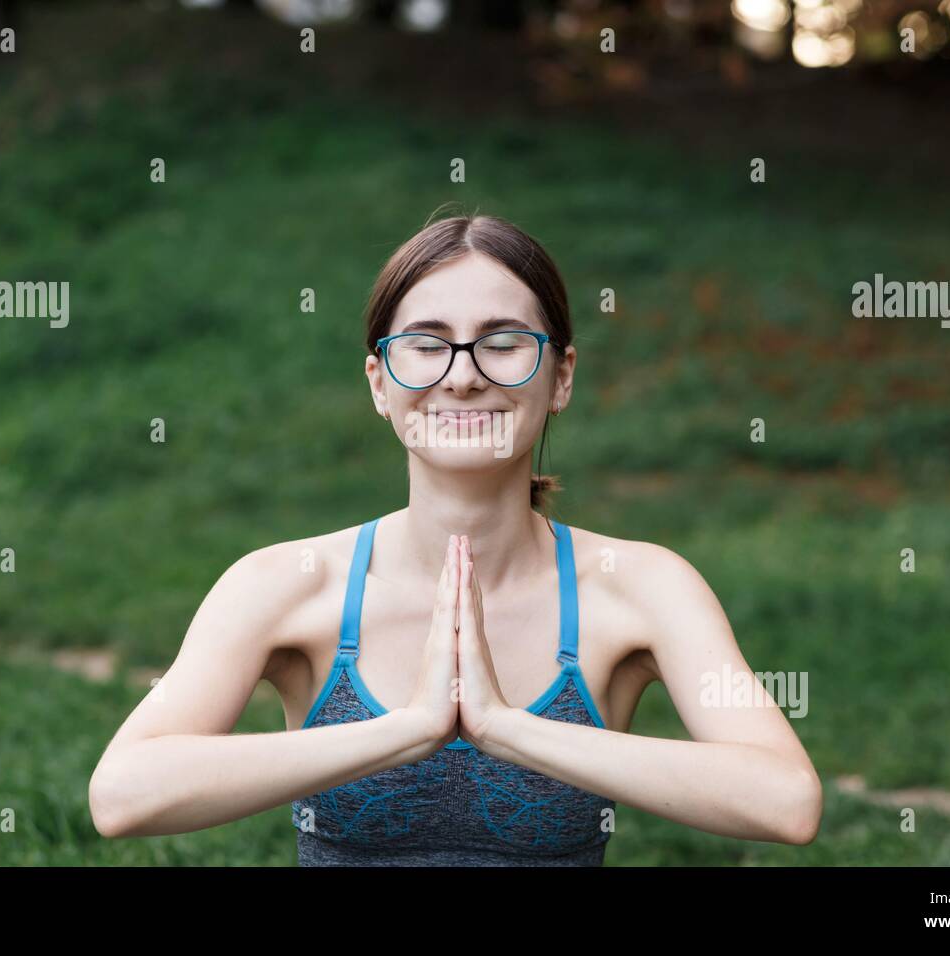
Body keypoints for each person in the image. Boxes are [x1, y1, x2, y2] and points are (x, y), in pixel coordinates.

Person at [88, 210, 823, 866]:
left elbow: (785, 801)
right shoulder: (288, 583)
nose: (463, 377)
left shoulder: (640, 586)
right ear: (379, 382)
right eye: (426, 344)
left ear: (561, 376)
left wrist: (508, 728)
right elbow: (124, 794)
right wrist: (406, 730)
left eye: (502, 342)